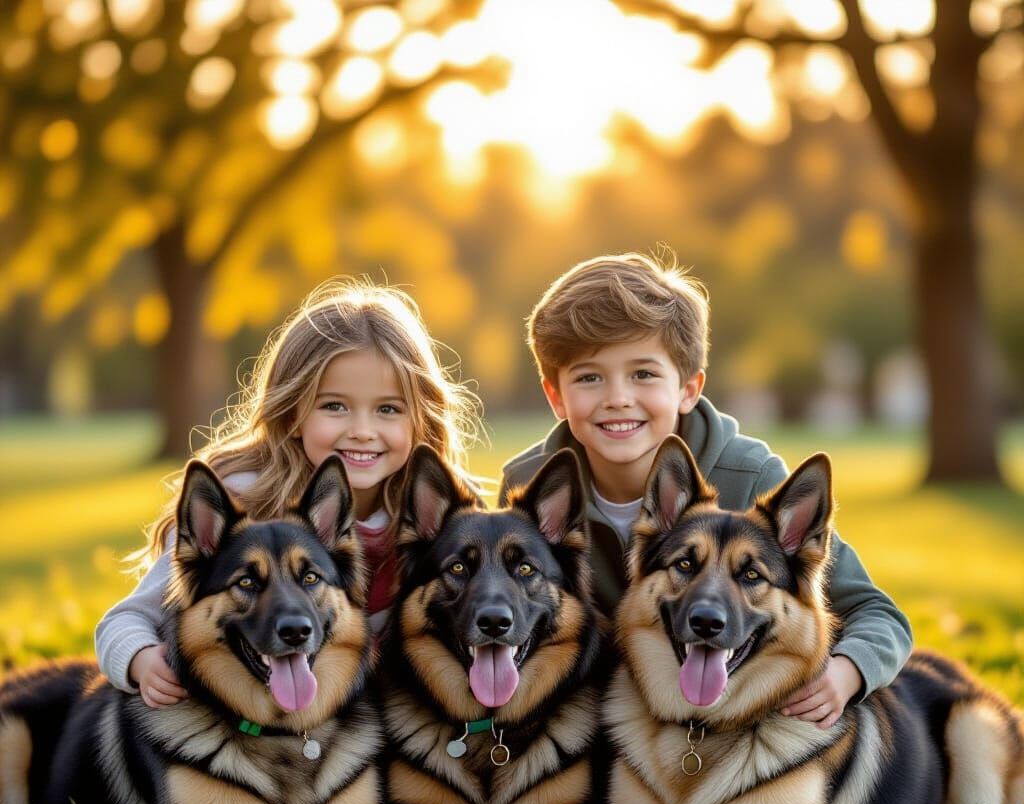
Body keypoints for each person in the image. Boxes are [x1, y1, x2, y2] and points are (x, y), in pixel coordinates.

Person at [499, 251, 911, 729]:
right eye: (589, 377)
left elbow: (876, 612)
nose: (618, 398)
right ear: (555, 396)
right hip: (595, 712)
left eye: (643, 374)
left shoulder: (752, 477)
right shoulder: (527, 487)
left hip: (721, 713)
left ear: (689, 388)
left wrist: (846, 673)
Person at [96, 280, 482, 709]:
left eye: (387, 409)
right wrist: (142, 660)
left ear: (420, 418)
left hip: (384, 716)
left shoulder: (443, 517)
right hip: (262, 714)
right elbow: (127, 619)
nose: (362, 430)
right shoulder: (244, 498)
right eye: (334, 406)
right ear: (292, 411)